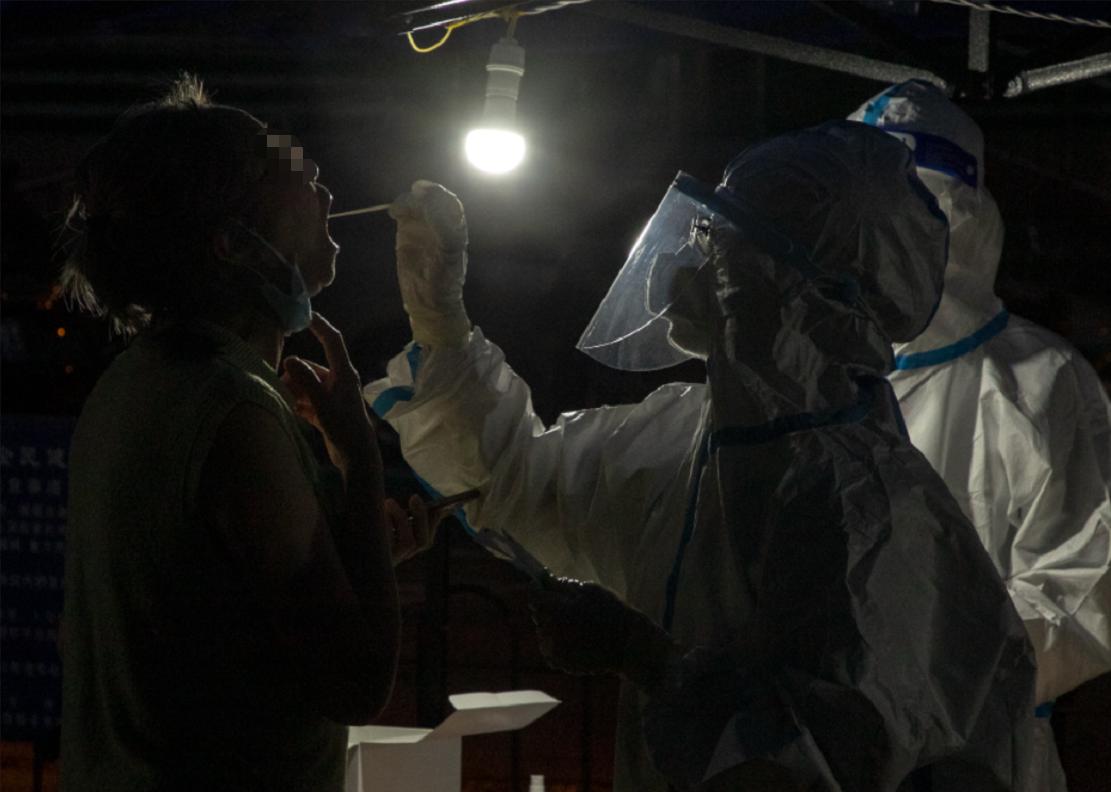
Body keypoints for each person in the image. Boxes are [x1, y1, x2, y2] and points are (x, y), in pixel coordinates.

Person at [366, 122, 1045, 790]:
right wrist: (440, 322)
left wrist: (643, 657)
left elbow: (829, 762)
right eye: (703, 234)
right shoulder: (684, 437)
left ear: (803, 292)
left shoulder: (869, 507)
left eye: (721, 244)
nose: (683, 266)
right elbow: (517, 483)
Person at [60, 76, 432, 791]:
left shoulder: (136, 380)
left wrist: (355, 555)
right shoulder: (233, 411)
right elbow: (356, 681)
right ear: (233, 243)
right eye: (284, 171)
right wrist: (357, 458)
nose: (321, 185)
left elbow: (216, 612)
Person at [849, 80, 1111, 790]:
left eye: (912, 212)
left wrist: (930, 685)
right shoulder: (807, 377)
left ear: (958, 221)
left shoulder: (1039, 380)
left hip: (977, 759)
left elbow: (1086, 583)